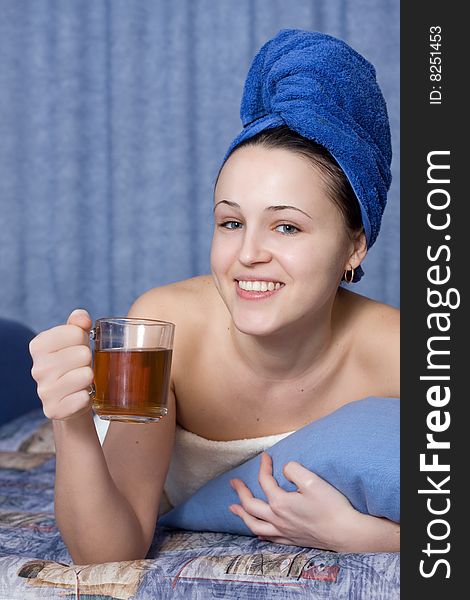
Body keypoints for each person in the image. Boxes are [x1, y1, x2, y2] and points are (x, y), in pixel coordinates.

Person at [29, 30, 399, 564]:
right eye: (231, 222)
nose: (247, 253)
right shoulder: (162, 328)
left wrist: (371, 537)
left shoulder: (400, 351)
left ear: (354, 246)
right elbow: (106, 552)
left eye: (287, 228)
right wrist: (71, 424)